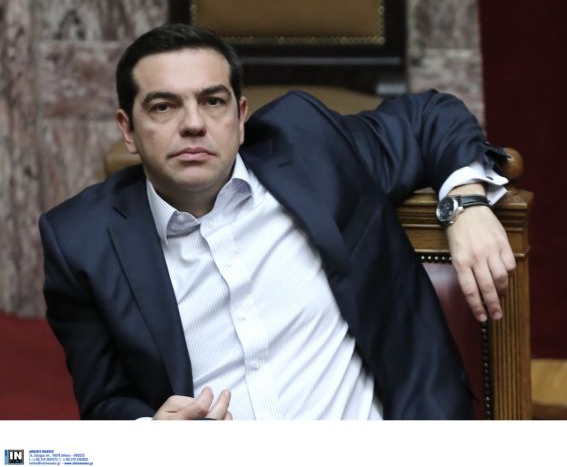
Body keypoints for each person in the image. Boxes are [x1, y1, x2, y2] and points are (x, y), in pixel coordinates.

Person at [39, 23, 515, 420]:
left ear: (240, 116)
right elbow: (106, 403)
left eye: (213, 101)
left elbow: (430, 116)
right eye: (164, 106)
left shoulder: (309, 148)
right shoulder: (81, 242)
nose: (193, 124)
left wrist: (465, 204)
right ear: (127, 129)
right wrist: (153, 432)